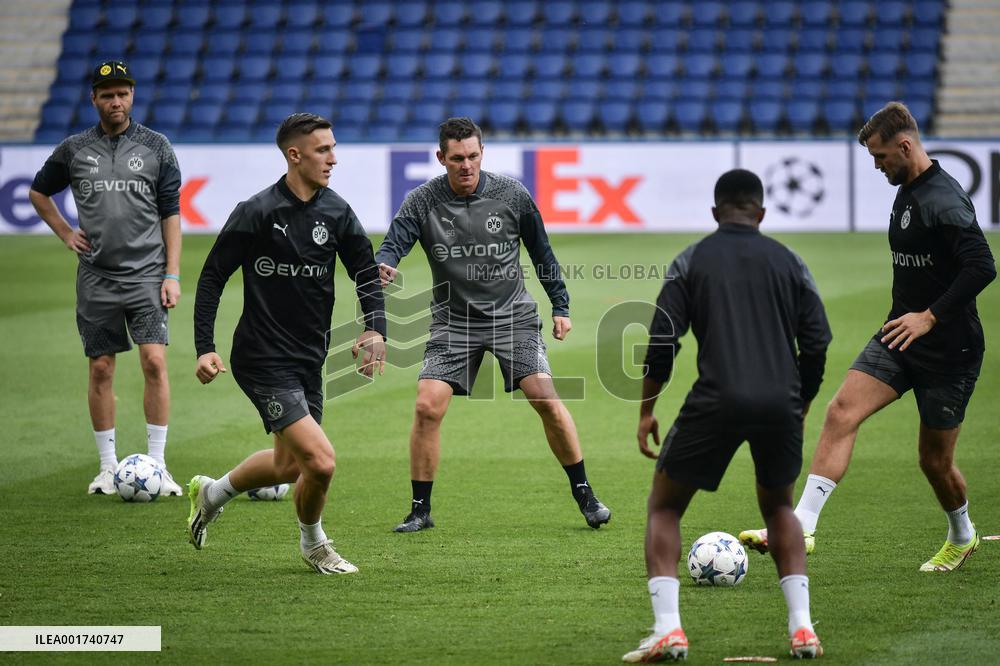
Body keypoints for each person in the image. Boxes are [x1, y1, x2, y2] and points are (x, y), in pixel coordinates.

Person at [739, 101, 996, 573]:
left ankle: (962, 535)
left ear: (905, 146)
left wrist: (930, 317)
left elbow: (983, 265)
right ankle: (803, 527)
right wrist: (912, 319)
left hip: (950, 349)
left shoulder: (944, 199)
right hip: (898, 336)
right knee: (841, 411)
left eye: (880, 158)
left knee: (934, 463)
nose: (877, 167)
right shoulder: (908, 189)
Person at [623, 169, 832, 662]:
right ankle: (802, 629)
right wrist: (799, 403)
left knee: (665, 507)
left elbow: (661, 342)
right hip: (780, 403)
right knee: (779, 509)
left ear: (715, 213)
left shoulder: (691, 260)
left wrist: (647, 410)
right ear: (761, 213)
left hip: (715, 399)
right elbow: (818, 342)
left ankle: (668, 630)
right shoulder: (790, 262)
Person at [376, 117, 611, 533]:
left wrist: (561, 304)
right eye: (456, 159)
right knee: (426, 406)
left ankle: (586, 495)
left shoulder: (512, 194)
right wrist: (387, 262)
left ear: (482, 154)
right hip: (453, 322)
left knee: (545, 399)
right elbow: (395, 241)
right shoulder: (422, 200)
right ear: (441, 158)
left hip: (513, 318)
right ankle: (419, 510)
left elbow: (542, 252)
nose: (466, 165)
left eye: (472, 156)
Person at [189, 113, 386, 575]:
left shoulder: (337, 212)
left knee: (290, 468)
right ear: (294, 155)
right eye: (323, 150)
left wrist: (376, 328)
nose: (333, 159)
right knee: (321, 462)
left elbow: (365, 273)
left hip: (307, 358)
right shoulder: (257, 211)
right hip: (261, 358)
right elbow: (213, 275)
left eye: (334, 148)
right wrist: (204, 345)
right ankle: (315, 544)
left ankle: (212, 493)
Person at [29, 60, 184, 497]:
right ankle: (106, 467)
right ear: (94, 99)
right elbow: (39, 193)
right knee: (100, 368)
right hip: (96, 278)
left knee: (154, 362)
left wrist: (172, 273)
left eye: (123, 93)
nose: (116, 101)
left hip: (147, 276)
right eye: (107, 95)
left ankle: (158, 462)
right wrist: (64, 232)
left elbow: (172, 214)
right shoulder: (74, 150)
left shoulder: (156, 147)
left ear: (132, 96)